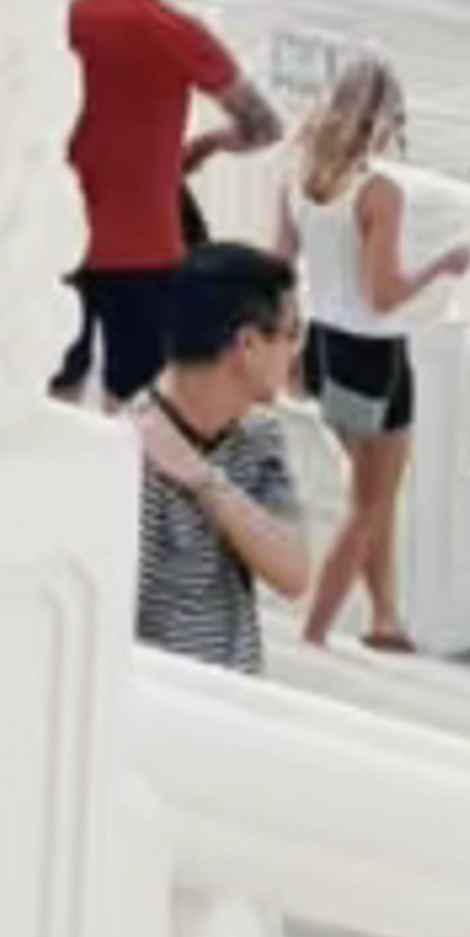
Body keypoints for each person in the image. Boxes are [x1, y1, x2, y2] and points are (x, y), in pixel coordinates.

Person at [279, 50, 470, 655]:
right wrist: (443, 266)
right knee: (368, 504)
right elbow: (384, 294)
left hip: (322, 346)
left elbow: (280, 266)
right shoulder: (379, 192)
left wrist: (289, 346)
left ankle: (385, 619)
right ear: (385, 118)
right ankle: (313, 633)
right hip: (375, 356)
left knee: (371, 494)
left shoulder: (297, 176)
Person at [61, 0, 281, 404]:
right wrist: (204, 148)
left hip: (58, 230)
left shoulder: (61, 17)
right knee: (135, 399)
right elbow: (263, 125)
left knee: (57, 388)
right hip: (142, 243)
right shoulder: (176, 34)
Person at [131, 245, 317, 673]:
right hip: (169, 708)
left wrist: (203, 482)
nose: (295, 352)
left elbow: (294, 573)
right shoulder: (125, 453)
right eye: (292, 333)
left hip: (240, 698)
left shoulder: (259, 439)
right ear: (248, 344)